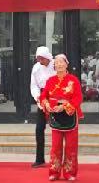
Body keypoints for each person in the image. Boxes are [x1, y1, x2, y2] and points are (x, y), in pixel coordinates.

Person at [40, 54, 83, 182]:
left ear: (66, 64)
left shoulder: (73, 80)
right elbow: (44, 96)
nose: (59, 64)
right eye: (57, 62)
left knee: (71, 146)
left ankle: (70, 172)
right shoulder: (50, 80)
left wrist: (64, 107)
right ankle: (54, 172)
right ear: (54, 65)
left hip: (70, 116)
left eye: (61, 62)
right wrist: (46, 104)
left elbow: (78, 97)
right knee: (55, 146)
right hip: (55, 116)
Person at [30, 46, 56, 168]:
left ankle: (59, 159)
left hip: (56, 98)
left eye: (42, 58)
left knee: (58, 128)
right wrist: (37, 97)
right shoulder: (36, 68)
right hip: (42, 98)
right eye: (38, 58)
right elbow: (33, 85)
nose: (40, 61)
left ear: (47, 57)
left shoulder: (56, 64)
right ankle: (39, 158)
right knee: (39, 129)